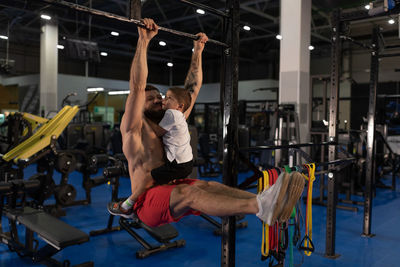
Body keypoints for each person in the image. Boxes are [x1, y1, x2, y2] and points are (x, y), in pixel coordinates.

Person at [107, 18, 305, 227]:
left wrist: (198, 51)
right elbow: (137, 86)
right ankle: (260, 206)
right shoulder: (134, 128)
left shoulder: (172, 120)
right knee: (189, 192)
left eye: (160, 96)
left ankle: (267, 201)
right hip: (146, 200)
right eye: (151, 99)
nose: (158, 100)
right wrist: (144, 41)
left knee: (208, 185)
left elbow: (191, 90)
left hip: (172, 186)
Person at [148, 87, 194, 185]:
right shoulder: (180, 116)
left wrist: (144, 119)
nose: (164, 100)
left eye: (169, 98)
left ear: (180, 106)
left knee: (151, 176)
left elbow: (158, 132)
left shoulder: (172, 113)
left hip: (178, 164)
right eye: (165, 97)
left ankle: (131, 200)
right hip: (187, 162)